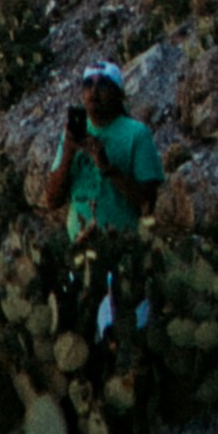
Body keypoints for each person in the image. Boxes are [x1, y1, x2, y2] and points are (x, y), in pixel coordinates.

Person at [51, 63, 164, 339]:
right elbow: (52, 199)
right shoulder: (74, 135)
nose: (94, 92)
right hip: (80, 254)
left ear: (119, 93)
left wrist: (108, 168)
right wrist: (67, 152)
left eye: (103, 84)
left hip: (120, 256)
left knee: (120, 335)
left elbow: (148, 201)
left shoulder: (136, 135)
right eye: (88, 84)